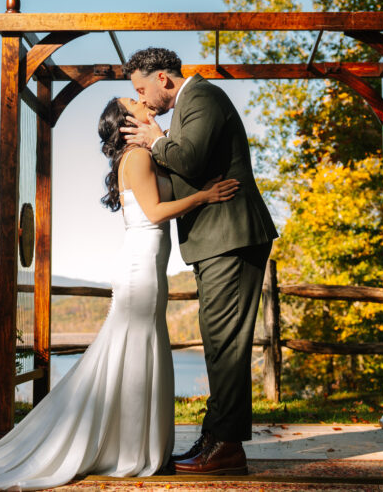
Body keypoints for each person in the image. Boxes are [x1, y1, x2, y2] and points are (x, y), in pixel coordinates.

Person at [0, 97, 239, 492]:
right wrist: (206, 196)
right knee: (134, 347)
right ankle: (132, 449)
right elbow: (153, 213)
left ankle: (139, 445)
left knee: (140, 346)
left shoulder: (146, 154)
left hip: (149, 264)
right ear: (127, 121)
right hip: (140, 266)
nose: (143, 101)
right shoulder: (136, 159)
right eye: (134, 101)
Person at [121, 47, 278, 476]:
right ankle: (216, 436)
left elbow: (186, 158)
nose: (143, 99)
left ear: (164, 80)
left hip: (231, 236)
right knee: (218, 341)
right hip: (215, 242)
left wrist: (154, 139)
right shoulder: (187, 107)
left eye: (142, 89)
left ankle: (225, 446)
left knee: (225, 344)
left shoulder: (203, 98)